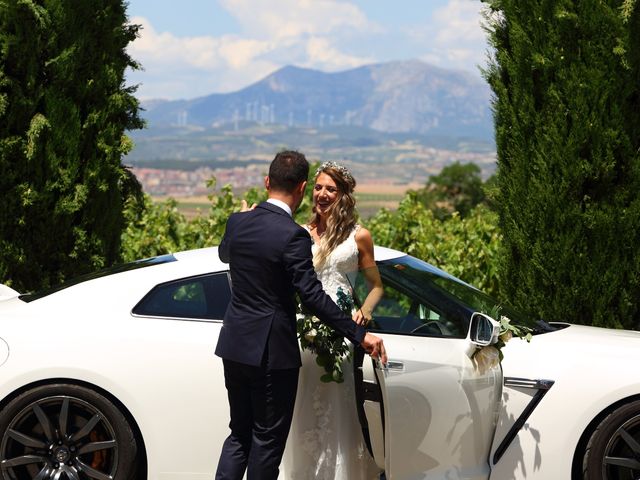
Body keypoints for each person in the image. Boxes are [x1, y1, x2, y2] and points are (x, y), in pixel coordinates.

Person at [214, 150, 387, 480]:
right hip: (271, 353)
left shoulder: (238, 221)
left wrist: (242, 219)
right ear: (303, 188)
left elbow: (225, 253)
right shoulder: (292, 233)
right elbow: (310, 295)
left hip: (234, 345)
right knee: (266, 442)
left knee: (239, 435)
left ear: (267, 182)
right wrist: (359, 333)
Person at [282, 161, 384, 479]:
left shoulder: (360, 237)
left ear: (343, 196)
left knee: (337, 408)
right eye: (318, 187)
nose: (323, 194)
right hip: (302, 333)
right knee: (301, 407)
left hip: (340, 334)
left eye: (331, 189)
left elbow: (376, 287)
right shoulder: (298, 234)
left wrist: (364, 311)